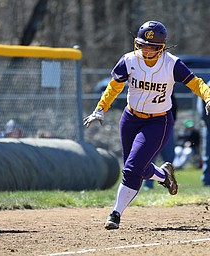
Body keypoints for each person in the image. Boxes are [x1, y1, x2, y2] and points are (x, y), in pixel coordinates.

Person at [83, 20, 210, 230]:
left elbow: (196, 82)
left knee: (132, 168)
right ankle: (163, 175)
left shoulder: (172, 64)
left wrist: (207, 97)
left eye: (151, 46)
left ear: (161, 47)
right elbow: (114, 87)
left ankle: (115, 213)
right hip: (130, 119)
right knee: (136, 167)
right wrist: (100, 108)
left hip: (158, 121)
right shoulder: (129, 60)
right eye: (142, 45)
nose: (145, 49)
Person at [143, 94, 177, 189]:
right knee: (149, 157)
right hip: (151, 125)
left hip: (167, 125)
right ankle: (148, 185)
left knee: (169, 156)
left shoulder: (167, 84)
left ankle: (168, 181)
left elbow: (173, 104)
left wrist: (172, 121)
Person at [197, 90, 210, 186]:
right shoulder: (207, 88)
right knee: (208, 155)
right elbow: (202, 111)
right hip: (209, 127)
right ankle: (206, 180)